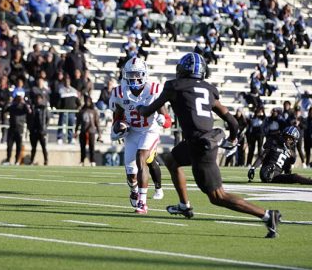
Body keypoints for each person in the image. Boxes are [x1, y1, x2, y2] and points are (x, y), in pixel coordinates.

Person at [137, 52, 281, 238]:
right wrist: (233, 138)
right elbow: (232, 121)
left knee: (218, 197)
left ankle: (268, 215)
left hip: (201, 146)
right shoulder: (208, 89)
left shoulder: (174, 86)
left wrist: (139, 108)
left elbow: (148, 110)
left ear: (182, 69)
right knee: (172, 159)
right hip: (199, 140)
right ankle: (184, 206)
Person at [109, 57, 173, 214]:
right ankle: (134, 190)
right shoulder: (119, 92)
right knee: (131, 175)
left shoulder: (154, 90)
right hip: (132, 132)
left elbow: (168, 121)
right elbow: (118, 117)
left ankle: (142, 203)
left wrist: (161, 119)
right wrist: (118, 128)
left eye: (137, 74)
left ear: (145, 74)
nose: (134, 78)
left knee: (141, 157)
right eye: (130, 74)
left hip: (149, 130)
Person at [4, 92, 32, 165]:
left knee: (18, 146)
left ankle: (17, 160)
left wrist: (24, 102)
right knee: (9, 145)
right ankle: (8, 159)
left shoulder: (24, 106)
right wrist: (9, 102)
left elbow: (29, 112)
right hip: (12, 127)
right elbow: (5, 110)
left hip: (20, 128)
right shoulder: (12, 105)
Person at [74, 96, 102, 166]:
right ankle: (82, 160)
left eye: (88, 101)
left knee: (91, 147)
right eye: (86, 101)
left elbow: (97, 123)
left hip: (91, 131)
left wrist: (99, 134)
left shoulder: (94, 111)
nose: (87, 102)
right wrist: (76, 131)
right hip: (83, 131)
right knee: (82, 147)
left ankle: (92, 160)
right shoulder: (81, 111)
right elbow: (78, 122)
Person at [28, 94, 49, 165]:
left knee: (44, 147)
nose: (38, 100)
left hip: (41, 131)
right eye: (37, 99)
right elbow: (29, 118)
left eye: (39, 99)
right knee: (33, 147)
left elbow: (47, 118)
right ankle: (31, 160)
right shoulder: (33, 108)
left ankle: (46, 160)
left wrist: (44, 128)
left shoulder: (44, 108)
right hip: (34, 130)